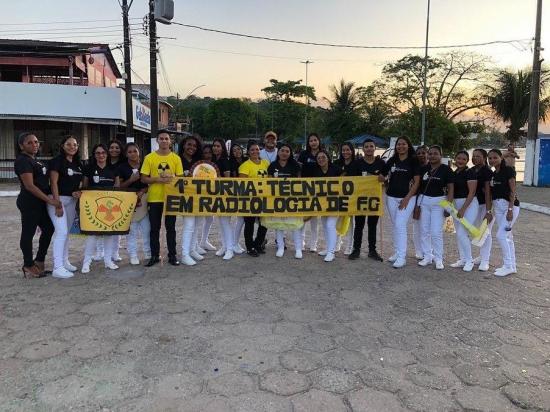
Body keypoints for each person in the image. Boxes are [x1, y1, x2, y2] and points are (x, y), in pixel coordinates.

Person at [14, 132, 57, 278]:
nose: (34, 145)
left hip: (39, 203)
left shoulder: (35, 160)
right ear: (21, 146)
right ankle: (28, 265)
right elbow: (30, 186)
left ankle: (39, 261)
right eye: (30, 143)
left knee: (49, 228)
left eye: (36, 142)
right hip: (29, 202)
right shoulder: (22, 161)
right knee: (28, 233)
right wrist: (50, 200)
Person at [141, 130, 183, 267]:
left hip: (170, 198)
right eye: (161, 138)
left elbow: (180, 179)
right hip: (154, 199)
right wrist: (157, 179)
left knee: (170, 228)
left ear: (170, 141)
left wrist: (172, 179)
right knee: (154, 228)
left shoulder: (176, 159)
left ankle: (172, 255)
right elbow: (143, 178)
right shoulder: (149, 158)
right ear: (157, 141)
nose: (164, 141)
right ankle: (154, 255)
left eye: (166, 138)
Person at [378, 136, 421, 268]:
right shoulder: (392, 160)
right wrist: (381, 177)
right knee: (395, 225)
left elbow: (417, 181)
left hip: (407, 198)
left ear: (408, 146)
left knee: (400, 224)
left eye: (403, 144)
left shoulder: (413, 161)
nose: (400, 146)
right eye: (398, 144)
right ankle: (397, 252)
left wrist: (407, 198)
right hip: (391, 197)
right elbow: (383, 175)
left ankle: (402, 257)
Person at [47, 136, 83, 278]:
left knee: (66, 232)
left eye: (75, 144)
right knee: (61, 232)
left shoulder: (78, 163)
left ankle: (65, 261)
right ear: (62, 146)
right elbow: (54, 183)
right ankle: (57, 267)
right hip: (58, 200)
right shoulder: (56, 161)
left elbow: (78, 183)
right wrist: (57, 204)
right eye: (68, 144)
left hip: (71, 201)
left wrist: (76, 192)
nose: (72, 147)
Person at [81, 143, 119, 273]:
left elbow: (117, 188)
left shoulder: (114, 169)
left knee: (109, 235)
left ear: (107, 154)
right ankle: (86, 262)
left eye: (103, 152)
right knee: (92, 236)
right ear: (94, 155)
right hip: (94, 206)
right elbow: (85, 187)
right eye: (98, 153)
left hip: (109, 206)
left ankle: (108, 261)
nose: (101, 155)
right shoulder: (89, 168)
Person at [417, 145, 455, 270]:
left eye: (435, 153)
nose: (432, 156)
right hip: (424, 201)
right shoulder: (424, 168)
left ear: (441, 155)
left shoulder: (446, 169)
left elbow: (450, 188)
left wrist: (448, 206)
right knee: (424, 231)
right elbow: (418, 186)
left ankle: (438, 258)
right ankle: (428, 256)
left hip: (439, 202)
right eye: (430, 153)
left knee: (436, 232)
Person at [348, 139, 385, 261]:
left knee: (372, 225)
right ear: (363, 149)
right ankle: (356, 249)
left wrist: (383, 179)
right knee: (359, 225)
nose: (369, 148)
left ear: (375, 148)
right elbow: (352, 180)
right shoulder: (357, 163)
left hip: (374, 199)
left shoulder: (381, 163)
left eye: (371, 146)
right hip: (360, 199)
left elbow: (387, 178)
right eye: (366, 146)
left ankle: (372, 250)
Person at [116, 143, 150, 265]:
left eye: (134, 151)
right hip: (129, 202)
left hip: (144, 200)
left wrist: (142, 191)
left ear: (139, 152)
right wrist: (131, 180)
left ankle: (148, 253)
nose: (132, 154)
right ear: (126, 154)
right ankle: (133, 255)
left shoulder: (146, 165)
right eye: (129, 152)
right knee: (132, 231)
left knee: (147, 229)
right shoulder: (122, 167)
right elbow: (119, 187)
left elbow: (150, 184)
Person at [267, 143, 303, 258]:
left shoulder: (295, 165)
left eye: (287, 151)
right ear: (278, 152)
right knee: (279, 224)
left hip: (292, 199)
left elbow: (299, 183)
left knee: (295, 225)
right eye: (282, 150)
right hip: (277, 199)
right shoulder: (272, 165)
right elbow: (269, 182)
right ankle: (281, 247)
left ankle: (298, 249)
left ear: (290, 153)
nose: (284, 153)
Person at [488, 149, 520, 277]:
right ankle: (512, 265)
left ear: (501, 157)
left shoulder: (508, 170)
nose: (492, 160)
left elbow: (513, 191)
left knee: (501, 236)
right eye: (490, 158)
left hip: (509, 207)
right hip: (498, 207)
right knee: (508, 237)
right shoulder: (494, 173)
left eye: (495, 157)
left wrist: (510, 210)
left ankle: (508, 266)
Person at [238, 141, 270, 256]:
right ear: (248, 152)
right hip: (250, 200)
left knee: (264, 223)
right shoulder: (245, 166)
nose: (255, 152)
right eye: (252, 150)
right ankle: (250, 247)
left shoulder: (266, 163)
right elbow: (242, 185)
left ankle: (258, 244)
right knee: (249, 224)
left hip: (264, 199)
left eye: (257, 149)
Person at [449, 150, 478, 272]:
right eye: (458, 158)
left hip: (469, 205)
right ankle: (463, 259)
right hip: (457, 205)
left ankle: (469, 260)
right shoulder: (455, 172)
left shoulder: (470, 172)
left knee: (462, 233)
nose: (460, 161)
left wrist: (463, 208)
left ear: (467, 161)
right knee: (459, 235)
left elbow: (471, 193)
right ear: (455, 159)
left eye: (463, 159)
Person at [177, 135, 204, 265]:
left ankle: (192, 249)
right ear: (183, 145)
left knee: (197, 223)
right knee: (189, 225)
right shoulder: (177, 159)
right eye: (189, 144)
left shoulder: (198, 162)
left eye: (194, 146)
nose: (191, 147)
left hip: (198, 197)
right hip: (184, 198)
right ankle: (184, 254)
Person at [313, 150, 341, 262]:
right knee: (325, 225)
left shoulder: (336, 169)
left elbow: (347, 180)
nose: (321, 159)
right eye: (318, 158)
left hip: (336, 202)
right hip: (323, 203)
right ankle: (328, 247)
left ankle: (331, 252)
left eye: (323, 157)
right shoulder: (316, 171)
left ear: (328, 158)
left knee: (330, 225)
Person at [298, 133, 322, 252]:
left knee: (314, 219)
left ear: (319, 141)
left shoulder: (322, 154)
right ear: (308, 143)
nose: (313, 142)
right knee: (303, 218)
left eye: (315, 140)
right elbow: (299, 171)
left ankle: (313, 244)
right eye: (311, 140)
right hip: (304, 189)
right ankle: (301, 243)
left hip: (317, 189)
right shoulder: (303, 154)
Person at [212, 138, 235, 260]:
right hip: (216, 196)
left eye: (218, 146)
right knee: (220, 223)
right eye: (214, 146)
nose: (215, 148)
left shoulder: (225, 161)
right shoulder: (212, 160)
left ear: (222, 148)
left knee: (226, 223)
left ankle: (230, 249)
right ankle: (224, 246)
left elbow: (227, 180)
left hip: (225, 196)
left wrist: (216, 177)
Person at [471, 149, 494, 271]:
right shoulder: (473, 170)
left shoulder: (487, 171)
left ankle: (485, 260)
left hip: (486, 205)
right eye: (473, 156)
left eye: (478, 156)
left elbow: (488, 192)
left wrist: (488, 211)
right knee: (478, 232)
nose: (475, 158)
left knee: (486, 233)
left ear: (484, 157)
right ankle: (481, 256)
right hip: (475, 205)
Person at [333, 142, 356, 254]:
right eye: (343, 150)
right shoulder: (337, 163)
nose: (345, 152)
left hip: (352, 198)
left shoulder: (357, 163)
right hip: (338, 197)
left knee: (351, 223)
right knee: (337, 221)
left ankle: (350, 246)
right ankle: (337, 244)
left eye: (348, 150)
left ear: (352, 151)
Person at [197, 144, 216, 252]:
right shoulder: (198, 165)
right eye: (205, 153)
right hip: (199, 195)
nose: (208, 155)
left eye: (209, 153)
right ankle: (195, 245)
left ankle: (204, 241)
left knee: (210, 218)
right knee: (197, 220)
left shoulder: (214, 165)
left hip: (211, 195)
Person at [229, 143, 247, 254]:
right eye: (234, 150)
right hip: (234, 193)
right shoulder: (230, 162)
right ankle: (233, 243)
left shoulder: (246, 160)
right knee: (235, 220)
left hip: (246, 193)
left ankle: (235, 242)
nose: (237, 152)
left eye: (239, 149)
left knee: (242, 220)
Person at [412, 145, 429, 260]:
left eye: (423, 153)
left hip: (429, 200)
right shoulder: (414, 167)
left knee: (427, 227)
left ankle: (428, 250)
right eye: (418, 153)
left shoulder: (432, 167)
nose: (421, 155)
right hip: (416, 199)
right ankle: (418, 250)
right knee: (417, 226)